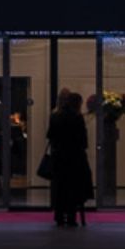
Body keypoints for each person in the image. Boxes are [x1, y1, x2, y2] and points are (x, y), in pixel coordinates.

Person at [45, 88, 93, 228]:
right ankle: (71, 217)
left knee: (60, 187)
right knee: (73, 188)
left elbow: (50, 136)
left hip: (59, 157)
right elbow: (83, 141)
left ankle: (59, 216)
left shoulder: (55, 116)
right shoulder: (77, 117)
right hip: (75, 158)